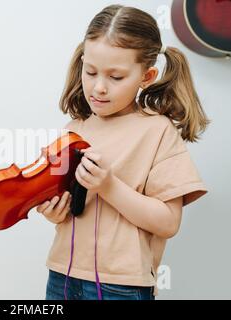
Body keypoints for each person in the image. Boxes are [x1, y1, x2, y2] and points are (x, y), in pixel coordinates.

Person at [36, 4, 210, 300]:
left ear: (147, 76)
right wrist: (54, 212)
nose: (99, 87)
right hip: (61, 276)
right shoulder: (73, 129)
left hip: (121, 287)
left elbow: (168, 222)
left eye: (116, 77)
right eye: (90, 72)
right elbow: (69, 214)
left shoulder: (157, 132)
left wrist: (108, 185)